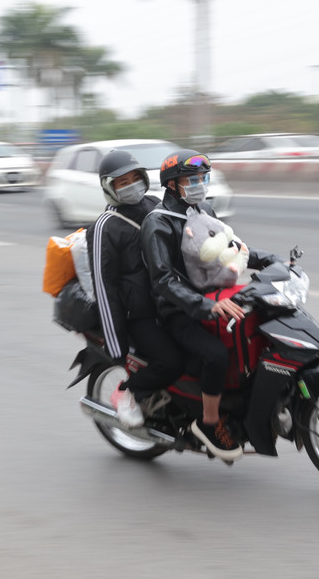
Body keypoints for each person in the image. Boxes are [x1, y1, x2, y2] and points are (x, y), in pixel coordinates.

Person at [140, 149, 280, 461]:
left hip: (215, 296)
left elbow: (230, 247)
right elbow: (162, 280)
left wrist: (271, 260)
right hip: (177, 310)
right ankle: (209, 421)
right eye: (192, 179)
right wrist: (204, 306)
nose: (200, 184)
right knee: (215, 355)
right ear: (173, 185)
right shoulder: (158, 224)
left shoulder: (202, 210)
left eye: (203, 178)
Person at [87, 149, 184, 427]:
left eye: (135, 178)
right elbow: (105, 289)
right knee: (170, 362)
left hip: (170, 301)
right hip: (139, 315)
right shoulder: (105, 227)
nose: (131, 185)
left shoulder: (155, 204)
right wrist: (115, 347)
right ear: (109, 187)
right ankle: (127, 393)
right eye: (122, 182)